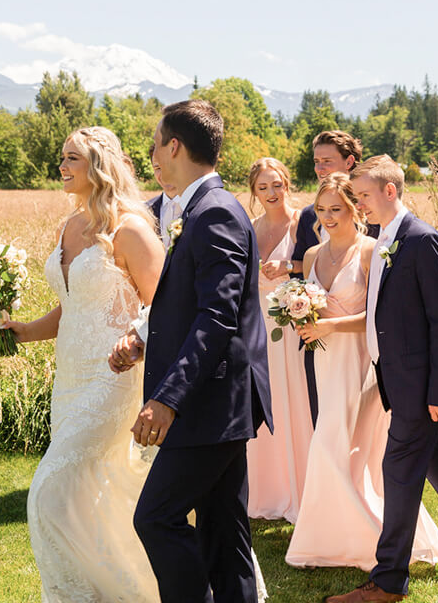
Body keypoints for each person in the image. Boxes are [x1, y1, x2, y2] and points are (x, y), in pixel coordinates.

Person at [109, 100, 273, 603]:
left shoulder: (215, 211)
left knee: (156, 518)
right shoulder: (198, 209)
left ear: (174, 146)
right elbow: (188, 306)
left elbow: (217, 317)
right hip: (217, 403)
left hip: (209, 404)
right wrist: (145, 341)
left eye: (156, 145)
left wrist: (167, 398)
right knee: (224, 536)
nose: (153, 157)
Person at [0, 126, 165, 602]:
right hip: (68, 377)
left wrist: (135, 346)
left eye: (72, 158)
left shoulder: (129, 229)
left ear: (98, 166)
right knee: (97, 492)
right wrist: (24, 330)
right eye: (62, 156)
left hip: (114, 378)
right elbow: (72, 305)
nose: (63, 166)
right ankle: (128, 588)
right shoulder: (68, 226)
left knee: (50, 489)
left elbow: (165, 310)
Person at [326, 156, 438, 603]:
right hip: (395, 378)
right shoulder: (383, 239)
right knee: (436, 462)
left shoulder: (422, 240)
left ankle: (388, 581)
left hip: (420, 386)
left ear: (390, 191)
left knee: (397, 471)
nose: (358, 206)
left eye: (363, 196)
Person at [286, 173, 438, 571]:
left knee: (344, 449)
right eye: (321, 209)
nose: (327, 216)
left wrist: (330, 325)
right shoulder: (311, 257)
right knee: (332, 445)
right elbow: (302, 302)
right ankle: (335, 538)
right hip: (323, 361)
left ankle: (370, 539)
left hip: (361, 363)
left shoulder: (371, 251)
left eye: (337, 208)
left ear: (354, 209)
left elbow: (379, 315)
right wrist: (296, 314)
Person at [261, 130, 376, 427]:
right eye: (316, 162)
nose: (320, 168)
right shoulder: (310, 216)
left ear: (349, 162)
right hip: (318, 348)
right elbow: (303, 269)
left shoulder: (372, 219)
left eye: (327, 161)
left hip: (360, 350)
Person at [246, 157, 312, 522]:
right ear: (254, 192)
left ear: (287, 183)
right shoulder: (250, 227)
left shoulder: (304, 220)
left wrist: (290, 267)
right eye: (263, 187)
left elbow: (322, 262)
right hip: (258, 325)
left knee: (294, 399)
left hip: (293, 324)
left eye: (277, 184)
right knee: (263, 399)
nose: (272, 193)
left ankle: (298, 488)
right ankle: (264, 490)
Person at [148, 156, 181, 250]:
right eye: (158, 168)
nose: (164, 174)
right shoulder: (145, 211)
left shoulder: (196, 208)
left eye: (170, 166)